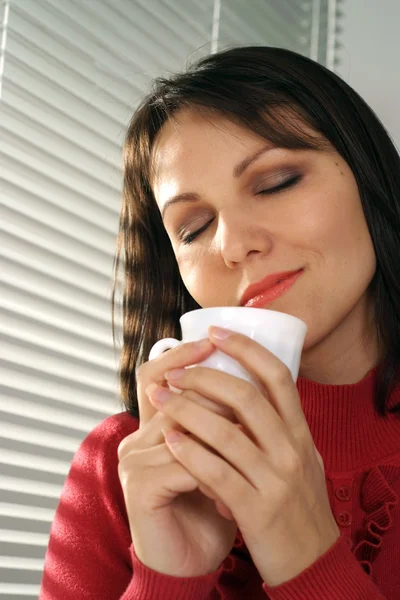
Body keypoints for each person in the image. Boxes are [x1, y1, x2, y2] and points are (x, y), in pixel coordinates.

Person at [39, 46, 400, 599]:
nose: (232, 245)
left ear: (365, 171)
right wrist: (168, 578)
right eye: (194, 227)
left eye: (276, 181)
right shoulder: (125, 465)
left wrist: (307, 555)